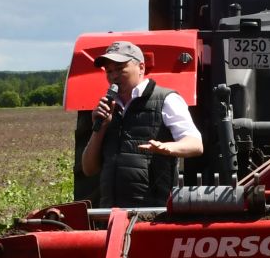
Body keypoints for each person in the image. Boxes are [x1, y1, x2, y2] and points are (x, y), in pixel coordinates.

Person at [80, 41, 203, 206]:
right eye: (109, 71)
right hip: (110, 216)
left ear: (141, 67)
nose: (113, 76)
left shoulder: (166, 100)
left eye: (120, 68)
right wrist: (99, 129)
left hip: (152, 216)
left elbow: (196, 144)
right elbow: (88, 169)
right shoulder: (108, 109)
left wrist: (168, 148)